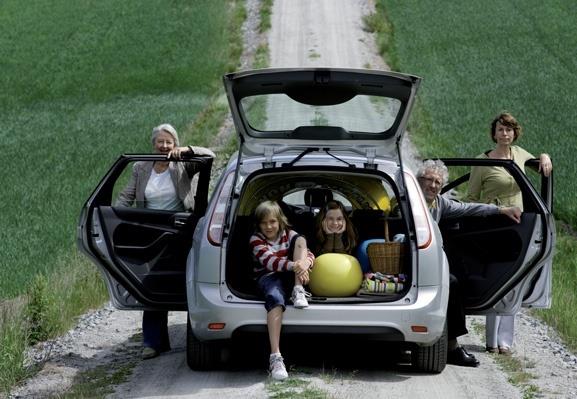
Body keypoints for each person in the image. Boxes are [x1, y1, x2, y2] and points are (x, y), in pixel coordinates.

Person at [116, 123, 215, 360]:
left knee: (189, 283)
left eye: (168, 142)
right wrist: (116, 216)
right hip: (151, 231)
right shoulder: (140, 168)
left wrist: (188, 149)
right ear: (153, 144)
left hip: (181, 230)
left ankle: (199, 336)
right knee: (151, 285)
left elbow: (211, 155)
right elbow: (126, 196)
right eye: (160, 142)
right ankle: (152, 342)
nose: (163, 146)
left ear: (174, 143)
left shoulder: (182, 166)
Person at [417, 159, 522, 367]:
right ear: (418, 181)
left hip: (430, 262)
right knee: (452, 283)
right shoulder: (408, 200)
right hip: (409, 261)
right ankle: (452, 347)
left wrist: (501, 210)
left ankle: (451, 344)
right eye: (429, 179)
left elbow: (468, 209)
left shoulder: (440, 204)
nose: (433, 185)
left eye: (438, 182)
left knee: (454, 283)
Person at [466, 112, 552, 355]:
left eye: (509, 130)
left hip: (519, 226)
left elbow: (539, 163)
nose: (505, 134)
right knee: (497, 279)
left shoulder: (520, 154)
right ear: (494, 134)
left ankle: (505, 342)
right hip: (493, 225)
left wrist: (544, 157)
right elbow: (471, 198)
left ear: (515, 133)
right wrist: (492, 211)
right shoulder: (481, 161)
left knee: (514, 282)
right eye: (500, 130)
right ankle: (491, 341)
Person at [249, 200, 315, 380]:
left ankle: (298, 289)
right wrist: (297, 266)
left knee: (301, 240)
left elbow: (309, 253)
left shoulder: (289, 234)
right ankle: (276, 357)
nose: (268, 226)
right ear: (258, 224)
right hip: (268, 276)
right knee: (275, 298)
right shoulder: (256, 239)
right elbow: (270, 262)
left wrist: (304, 264)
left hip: (290, 276)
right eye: (263, 223)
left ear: (280, 221)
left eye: (272, 221)